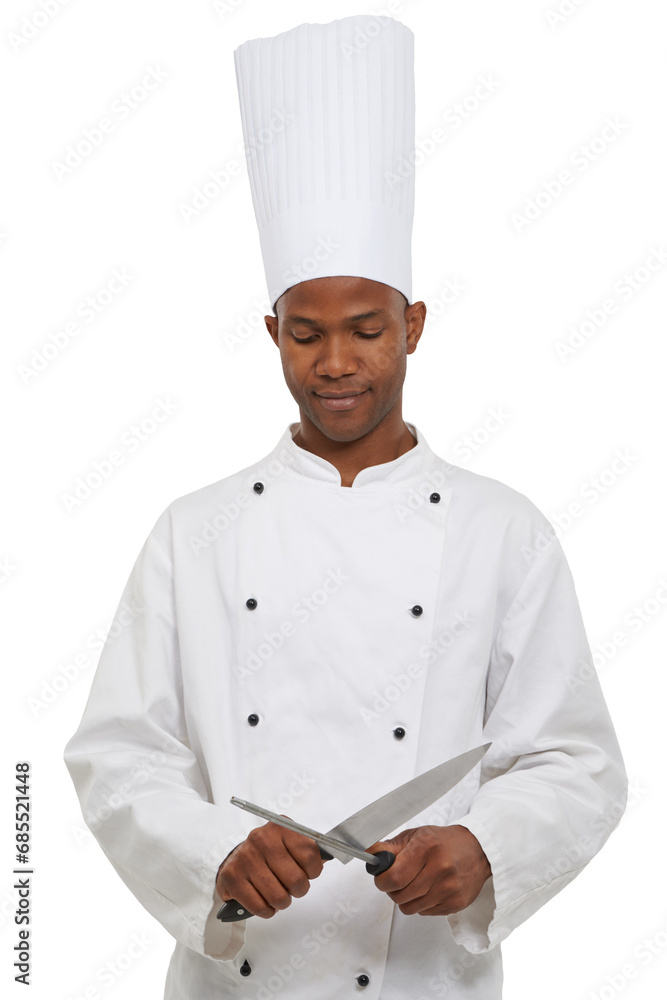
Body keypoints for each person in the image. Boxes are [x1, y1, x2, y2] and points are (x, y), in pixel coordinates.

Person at [64, 15, 628, 999]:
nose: (334, 364)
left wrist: (485, 845)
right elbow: (119, 756)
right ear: (271, 333)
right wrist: (216, 856)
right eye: (305, 333)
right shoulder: (195, 533)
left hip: (423, 981)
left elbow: (574, 759)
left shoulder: (502, 530)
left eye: (366, 329)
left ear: (411, 325)